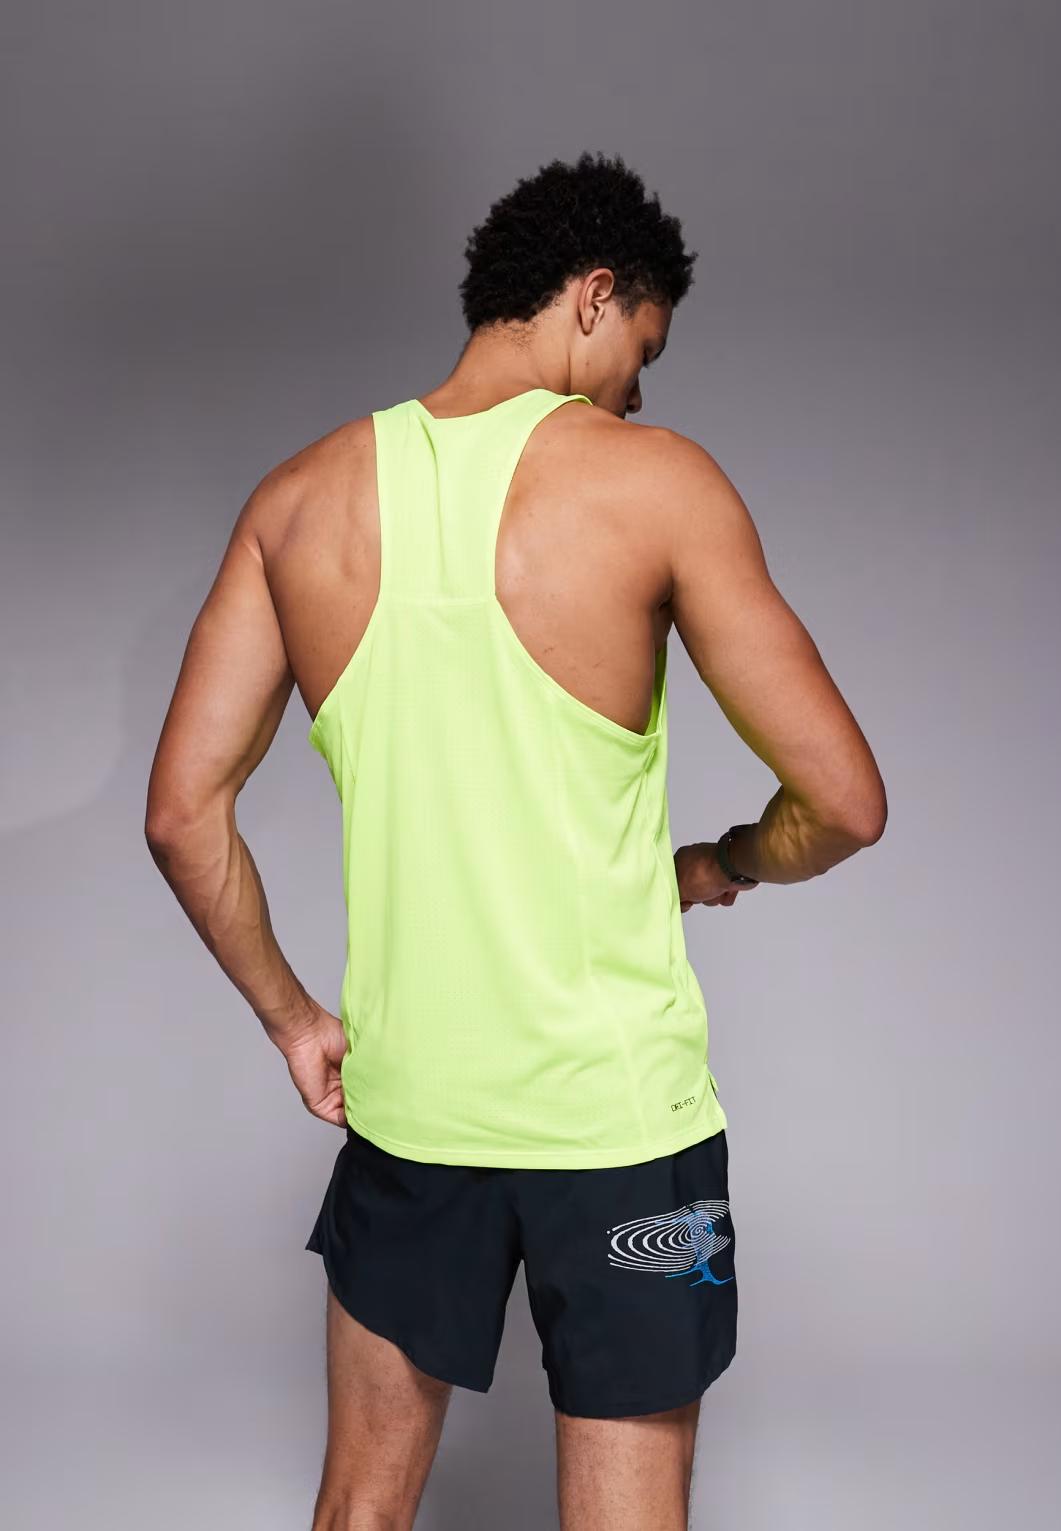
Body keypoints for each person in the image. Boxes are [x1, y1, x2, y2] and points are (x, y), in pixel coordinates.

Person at [145, 149, 887, 1531]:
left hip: (411, 1115)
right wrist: (725, 861)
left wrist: (295, 1020)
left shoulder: (297, 502)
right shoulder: (659, 484)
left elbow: (183, 814)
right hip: (622, 1125)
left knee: (359, 1512)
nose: (640, 394)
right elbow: (846, 800)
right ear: (594, 296)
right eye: (642, 351)